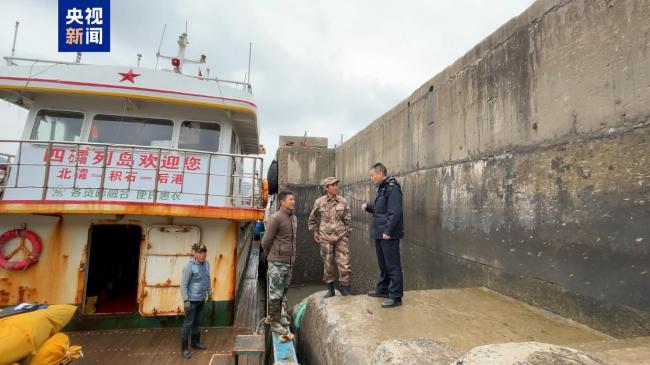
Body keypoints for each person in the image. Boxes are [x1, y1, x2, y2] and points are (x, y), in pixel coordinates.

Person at [361, 163, 404, 308]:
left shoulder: (392, 187)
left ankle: (396, 296)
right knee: (383, 264)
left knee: (392, 265)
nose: (371, 178)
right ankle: (383, 289)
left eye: (372, 175)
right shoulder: (383, 188)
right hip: (380, 232)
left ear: (380, 174)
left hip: (387, 234)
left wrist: (388, 231)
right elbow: (381, 211)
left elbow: (395, 211)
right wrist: (369, 208)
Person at [308, 176, 352, 297]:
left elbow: (347, 218)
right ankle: (331, 290)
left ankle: (345, 289)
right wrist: (315, 232)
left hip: (341, 236)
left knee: (345, 263)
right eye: (333, 185)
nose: (336, 187)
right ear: (326, 188)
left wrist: (347, 234)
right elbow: (312, 218)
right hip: (325, 238)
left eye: (336, 185)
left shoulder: (343, 201)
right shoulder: (319, 202)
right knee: (328, 264)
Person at [261, 190, 297, 335]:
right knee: (275, 293)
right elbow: (265, 241)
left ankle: (275, 317)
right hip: (277, 262)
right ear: (282, 202)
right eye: (290, 199)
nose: (293, 201)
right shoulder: (276, 218)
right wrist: (272, 256)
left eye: (294, 199)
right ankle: (275, 323)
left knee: (283, 291)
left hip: (289, 261)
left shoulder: (293, 218)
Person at [180, 243, 212, 359]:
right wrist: (186, 300)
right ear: (195, 253)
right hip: (191, 301)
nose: (203, 255)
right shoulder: (189, 267)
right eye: (200, 252)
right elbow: (183, 285)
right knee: (188, 324)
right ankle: (184, 349)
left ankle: (195, 343)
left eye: (204, 252)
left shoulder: (207, 264)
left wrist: (210, 292)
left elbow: (207, 278)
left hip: (201, 298)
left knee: (197, 322)